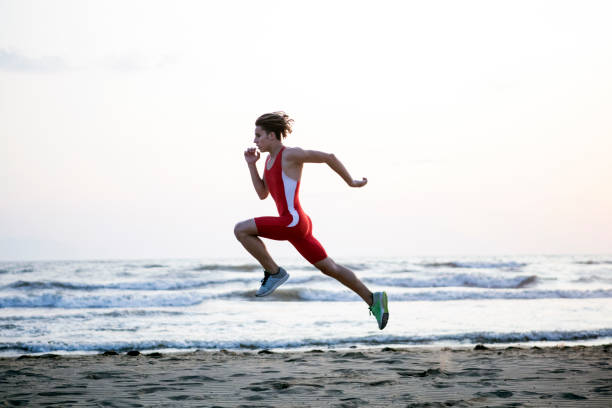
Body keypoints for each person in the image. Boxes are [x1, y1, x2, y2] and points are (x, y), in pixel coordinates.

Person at [234, 112, 389, 330]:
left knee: (241, 230)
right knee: (331, 268)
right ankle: (373, 299)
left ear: (271, 135)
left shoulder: (291, 155)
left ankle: (274, 272)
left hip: (292, 221)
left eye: (258, 135)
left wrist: (351, 182)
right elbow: (262, 194)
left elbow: (329, 157)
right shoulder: (268, 161)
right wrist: (251, 164)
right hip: (296, 224)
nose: (254, 140)